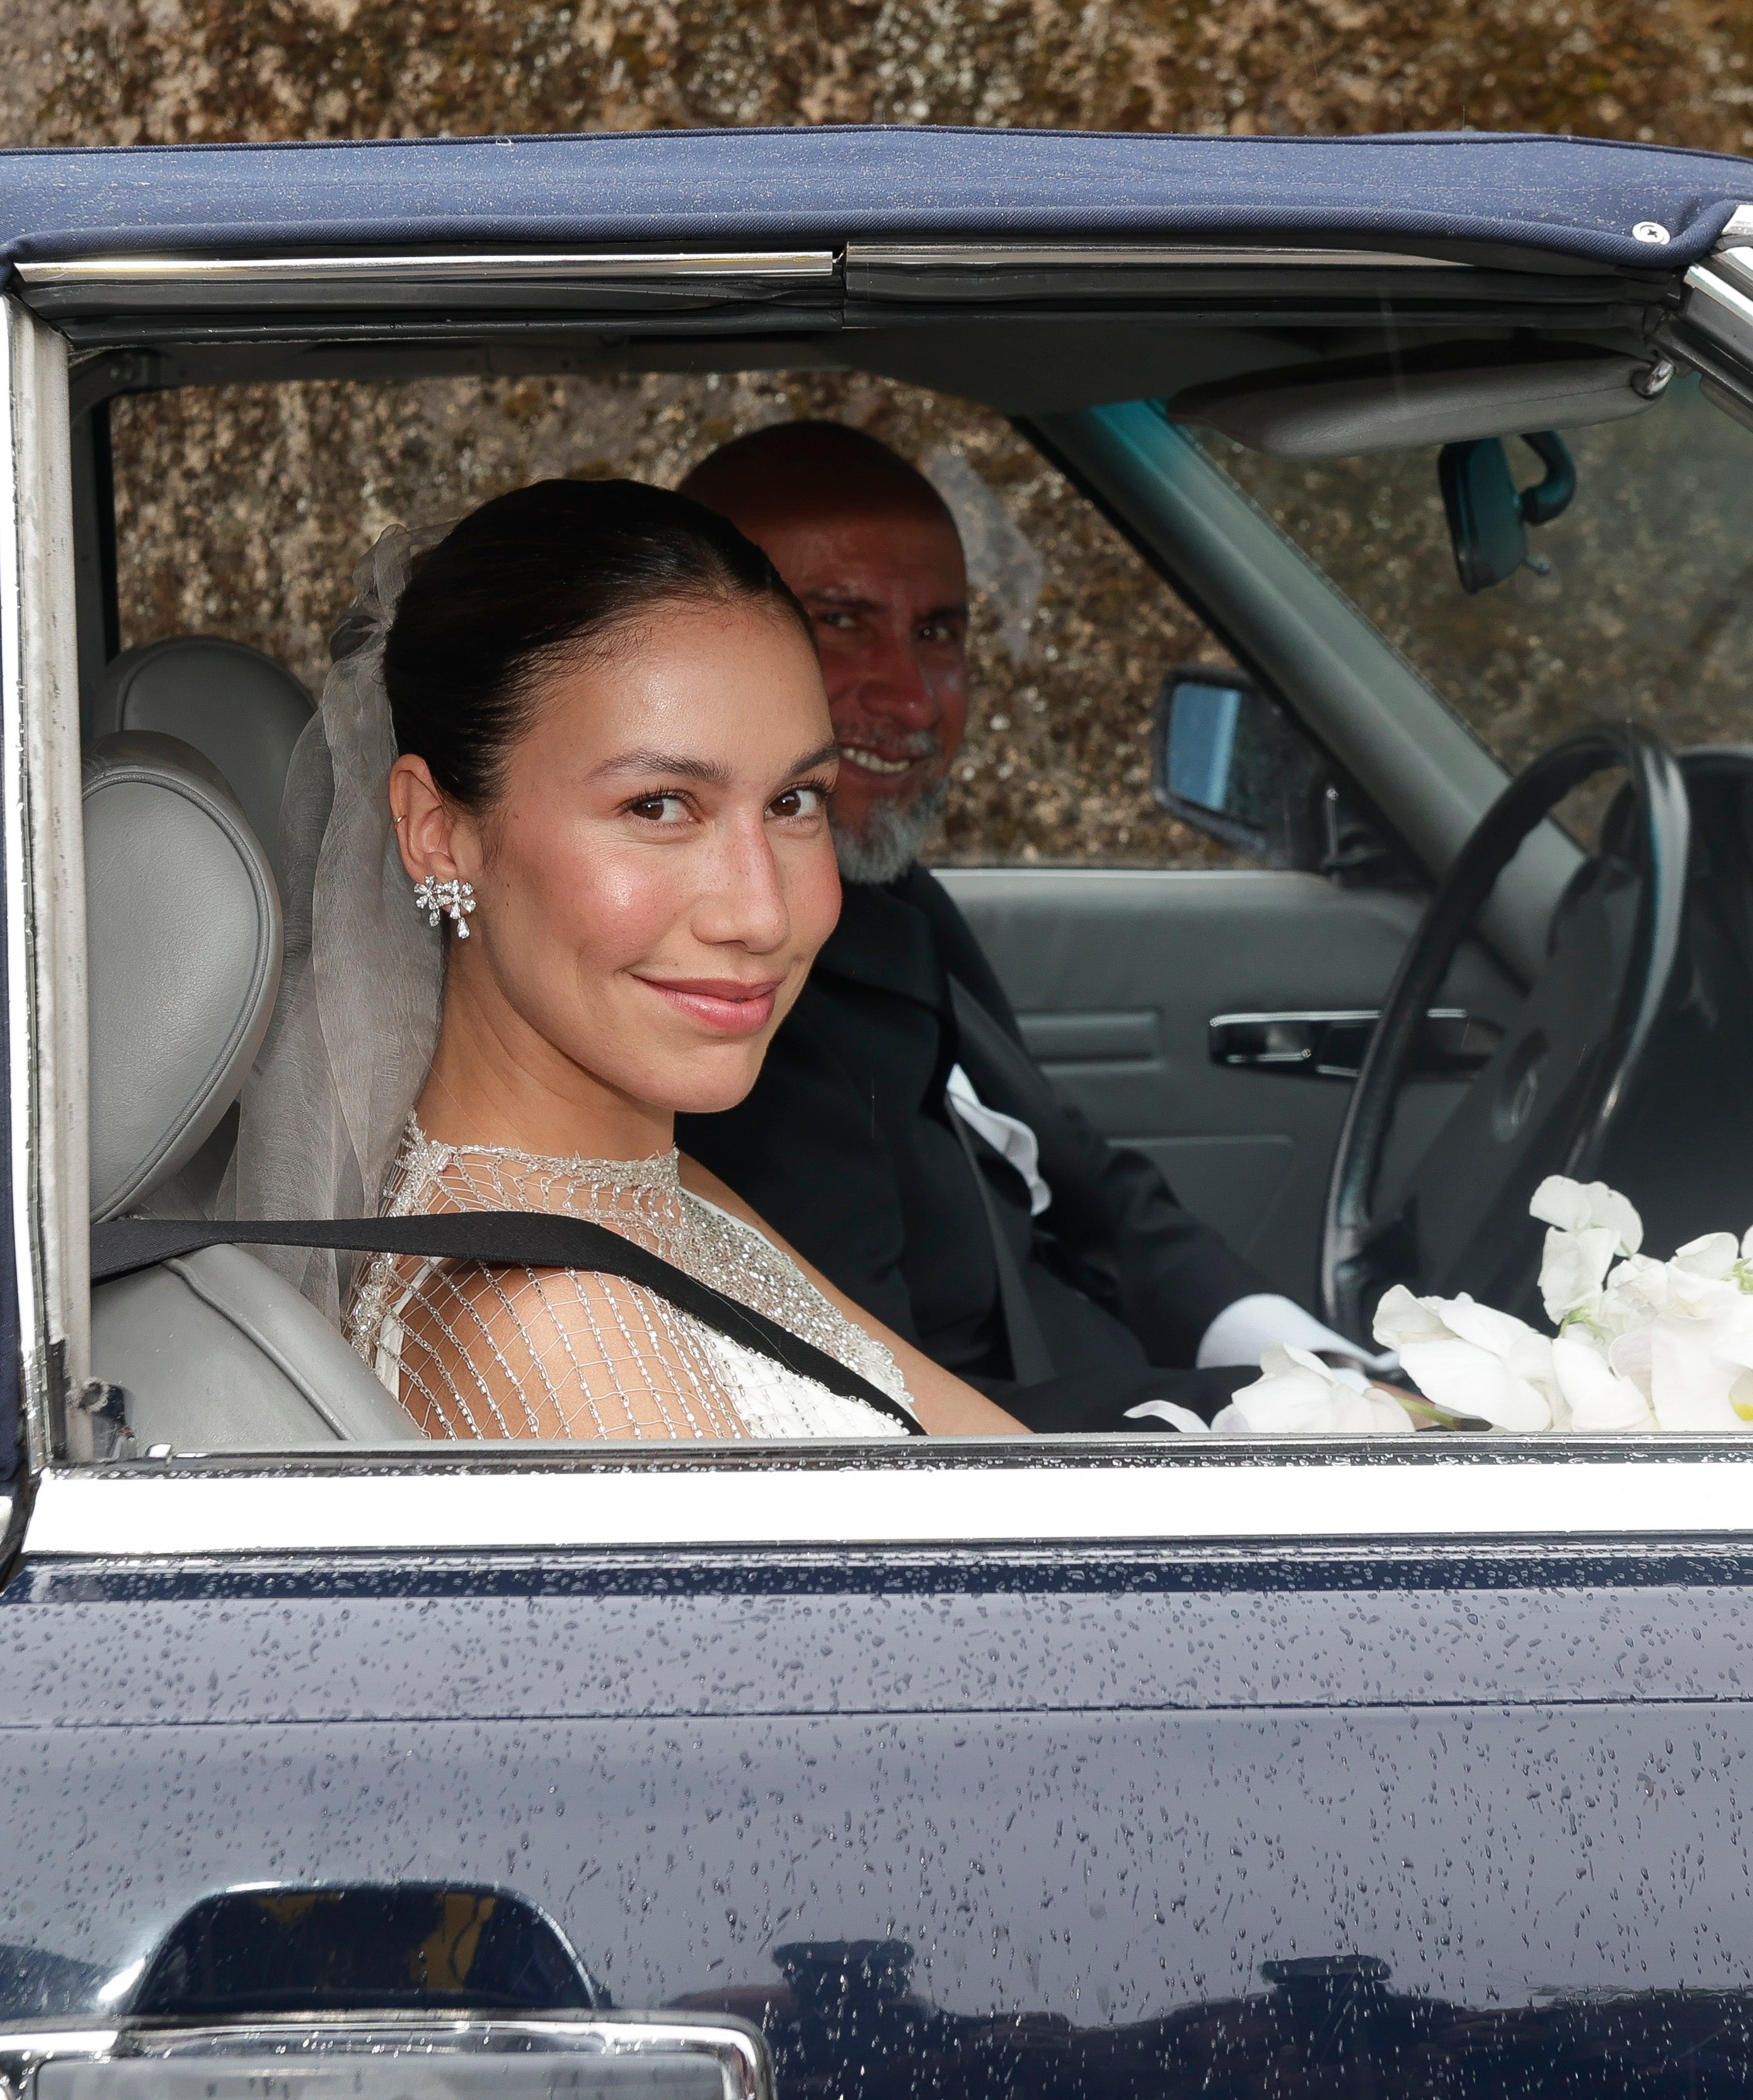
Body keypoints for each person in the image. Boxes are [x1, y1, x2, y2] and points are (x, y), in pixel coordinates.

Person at [258, 476, 1021, 1440]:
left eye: (795, 802)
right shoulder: (553, 1328)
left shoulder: (643, 1180)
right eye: (658, 806)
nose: (761, 912)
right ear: (440, 831)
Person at [675, 422, 1364, 1433]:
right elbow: (875, 1430)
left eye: (938, 633)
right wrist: (1319, 1425)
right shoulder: (722, 1023)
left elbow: (1080, 1174)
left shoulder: (890, 893)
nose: (913, 699)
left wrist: (1321, 1365)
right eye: (839, 622)